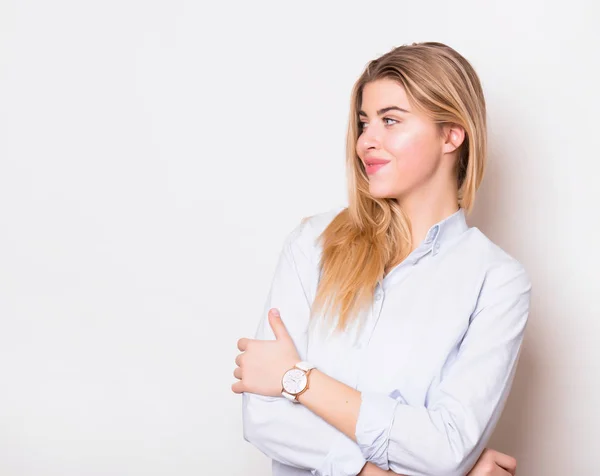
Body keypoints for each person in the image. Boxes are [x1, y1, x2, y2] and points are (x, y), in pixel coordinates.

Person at [232, 42, 531, 476]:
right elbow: (264, 417)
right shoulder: (312, 244)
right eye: (363, 122)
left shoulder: (497, 281)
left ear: (451, 135)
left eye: (390, 121)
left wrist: (298, 379)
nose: (365, 142)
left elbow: (447, 447)